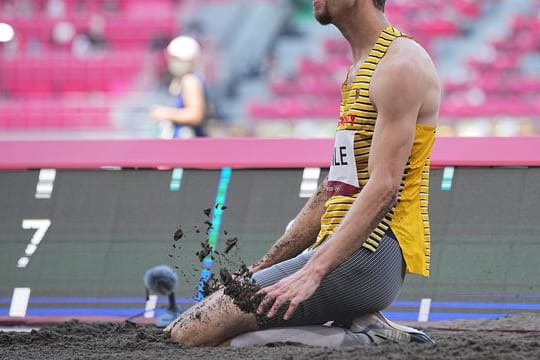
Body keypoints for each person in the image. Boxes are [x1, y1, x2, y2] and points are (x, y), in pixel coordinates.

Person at [165, 0, 440, 347]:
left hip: (367, 258)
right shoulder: (362, 68)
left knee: (192, 334)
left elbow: (384, 189)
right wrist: (256, 272)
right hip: (337, 254)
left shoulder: (401, 64)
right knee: (195, 324)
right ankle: (356, 329)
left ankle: (368, 341)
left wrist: (312, 272)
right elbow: (334, 191)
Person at [150, 36, 208, 139]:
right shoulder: (180, 81)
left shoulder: (190, 80)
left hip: (191, 143)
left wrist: (166, 113)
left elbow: (195, 114)